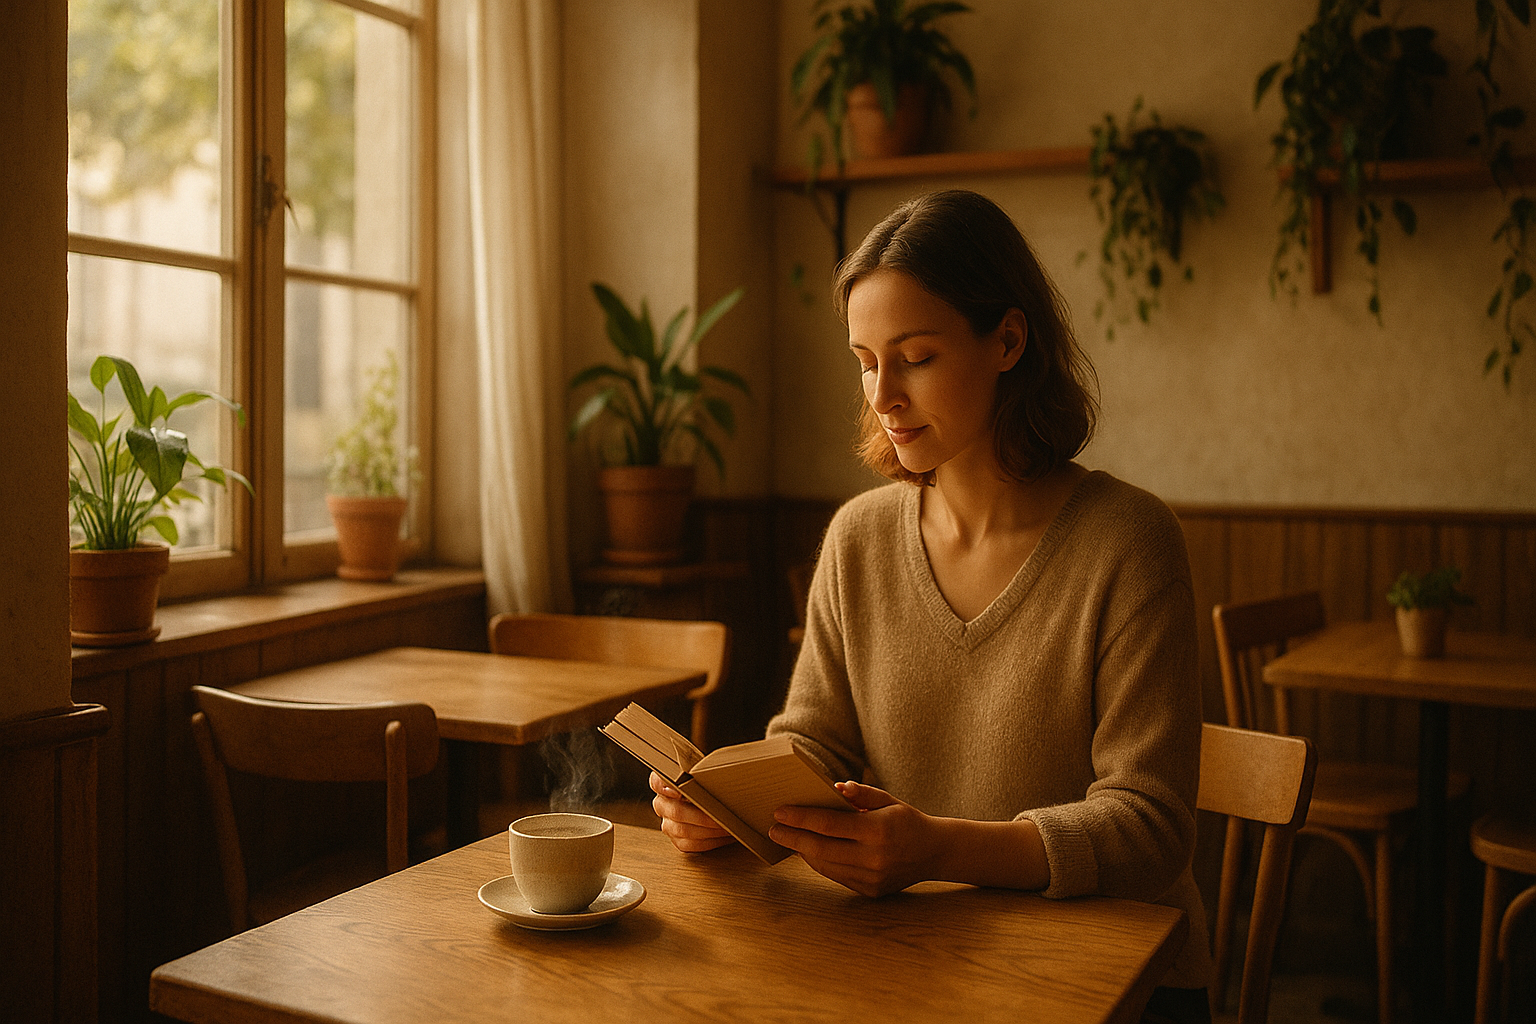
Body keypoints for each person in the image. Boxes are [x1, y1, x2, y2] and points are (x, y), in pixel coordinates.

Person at [650, 189, 1212, 1024]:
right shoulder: (858, 537)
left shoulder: (1129, 541)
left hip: (1119, 982)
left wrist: (939, 848)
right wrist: (736, 808)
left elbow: (1151, 826)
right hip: (923, 958)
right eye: (866, 360)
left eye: (914, 356)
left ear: (1008, 341)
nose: (883, 393)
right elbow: (813, 741)